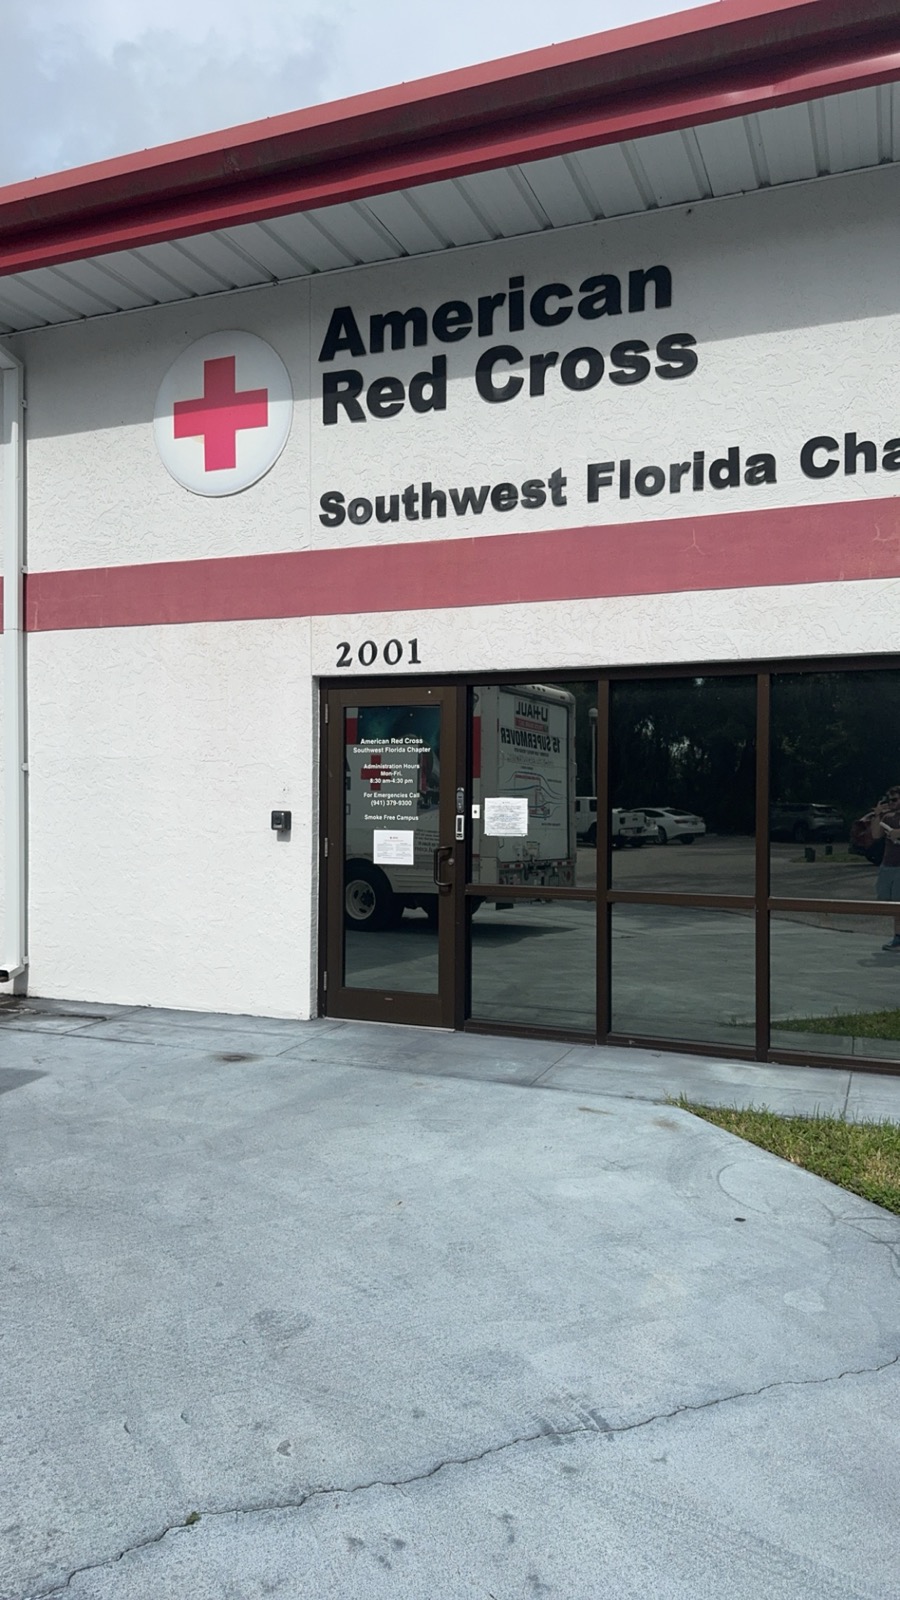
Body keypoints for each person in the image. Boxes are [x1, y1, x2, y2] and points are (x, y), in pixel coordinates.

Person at [868, 786, 900, 950]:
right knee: (887, 902)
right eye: (890, 800)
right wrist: (877, 814)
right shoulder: (888, 817)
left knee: (898, 903)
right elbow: (875, 834)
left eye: (895, 800)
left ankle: (898, 937)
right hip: (888, 864)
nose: (892, 803)